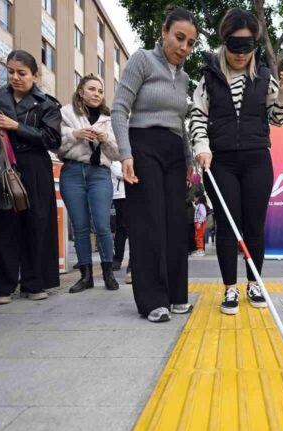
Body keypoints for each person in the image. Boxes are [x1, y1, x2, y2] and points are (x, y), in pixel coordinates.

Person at [190, 8, 283, 315]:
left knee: (254, 227)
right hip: (219, 161)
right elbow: (197, 115)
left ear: (255, 45)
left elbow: (279, 119)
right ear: (224, 42)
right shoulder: (208, 77)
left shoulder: (264, 77)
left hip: (257, 159)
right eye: (234, 45)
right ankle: (229, 289)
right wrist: (202, 146)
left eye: (247, 46)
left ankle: (254, 282)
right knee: (227, 226)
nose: (240, 54)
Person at [111, 6, 198, 322]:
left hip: (175, 152)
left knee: (176, 223)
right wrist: (126, 154)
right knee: (149, 223)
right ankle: (152, 300)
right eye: (179, 38)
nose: (183, 48)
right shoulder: (142, 60)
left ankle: (177, 295)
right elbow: (119, 108)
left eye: (190, 43)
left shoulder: (185, 77)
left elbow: (180, 122)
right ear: (164, 32)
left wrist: (189, 160)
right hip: (143, 145)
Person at [0, 50, 61, 304]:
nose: (15, 77)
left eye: (22, 73)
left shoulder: (47, 104)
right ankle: (2, 286)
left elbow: (52, 139)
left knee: (37, 223)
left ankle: (34, 282)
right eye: (10, 72)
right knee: (3, 224)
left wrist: (16, 126)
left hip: (35, 165)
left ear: (35, 75)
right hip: (5, 164)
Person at [59, 73, 120, 293]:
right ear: (81, 91)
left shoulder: (109, 118)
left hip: (100, 174)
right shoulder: (66, 113)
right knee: (81, 227)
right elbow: (56, 145)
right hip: (73, 172)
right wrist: (75, 134)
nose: (96, 94)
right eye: (92, 89)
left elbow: (117, 154)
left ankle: (108, 273)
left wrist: (106, 139)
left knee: (103, 225)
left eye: (100, 91)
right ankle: (85, 276)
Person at [110, 161, 132, 283]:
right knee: (121, 228)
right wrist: (131, 173)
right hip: (120, 196)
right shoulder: (115, 159)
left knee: (134, 229)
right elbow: (120, 173)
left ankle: (132, 263)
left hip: (134, 194)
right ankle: (118, 259)